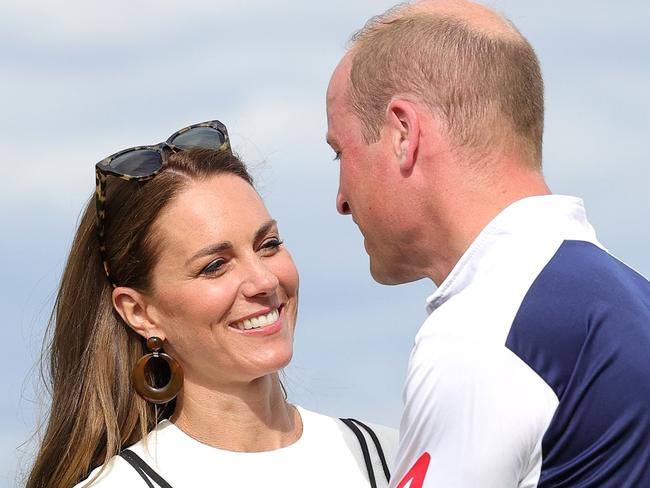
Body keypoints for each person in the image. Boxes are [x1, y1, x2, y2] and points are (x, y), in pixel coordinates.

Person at [326, 1, 650, 487]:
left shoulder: (481, 333)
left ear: (402, 133)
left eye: (340, 153)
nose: (341, 200)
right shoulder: (631, 300)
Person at [26, 120, 397, 488]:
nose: (264, 281)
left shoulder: (395, 457)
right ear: (140, 313)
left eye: (268, 244)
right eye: (215, 266)